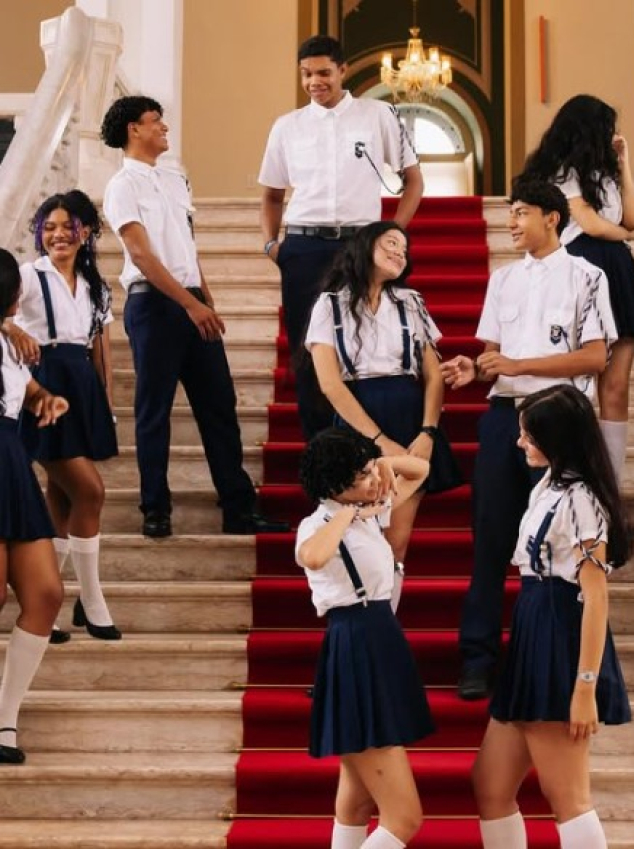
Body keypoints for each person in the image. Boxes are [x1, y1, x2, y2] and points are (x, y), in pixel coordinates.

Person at [441, 179, 617, 701]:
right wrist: (473, 368)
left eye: (520, 213)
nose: (512, 223)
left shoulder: (589, 276)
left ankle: (564, 660)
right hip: (503, 416)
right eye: (510, 214)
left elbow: (595, 357)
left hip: (561, 419)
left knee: (566, 544)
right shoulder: (503, 280)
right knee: (491, 539)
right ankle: (478, 657)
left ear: (552, 218)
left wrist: (519, 364)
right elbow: (494, 355)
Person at [100, 95, 287, 538]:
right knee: (154, 411)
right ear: (133, 130)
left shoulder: (176, 178)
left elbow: (186, 246)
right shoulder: (122, 186)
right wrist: (189, 304)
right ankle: (155, 508)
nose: (164, 126)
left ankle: (239, 509)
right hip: (154, 304)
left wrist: (206, 297)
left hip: (192, 300)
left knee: (219, 406)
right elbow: (142, 255)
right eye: (154, 121)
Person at [472, 384, 634, 849]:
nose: (519, 442)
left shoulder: (582, 499)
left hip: (559, 633)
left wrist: (584, 687)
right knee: (490, 785)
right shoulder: (549, 482)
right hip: (532, 625)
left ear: (557, 440)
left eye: (529, 435)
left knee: (568, 798)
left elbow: (596, 598)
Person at [259, 35, 423, 441]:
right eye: (306, 74)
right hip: (302, 246)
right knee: (309, 348)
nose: (315, 81)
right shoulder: (287, 127)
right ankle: (321, 447)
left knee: (363, 340)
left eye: (323, 73)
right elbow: (271, 195)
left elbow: (413, 181)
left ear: (343, 71)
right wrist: (271, 245)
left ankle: (366, 440)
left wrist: (393, 232)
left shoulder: (378, 114)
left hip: (359, 246)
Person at [304, 221, 461, 600]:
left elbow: (433, 376)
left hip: (409, 417)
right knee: (361, 534)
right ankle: (361, 616)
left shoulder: (410, 302)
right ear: (365, 246)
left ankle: (384, 621)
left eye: (404, 248)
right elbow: (329, 383)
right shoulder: (330, 304)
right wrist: (378, 440)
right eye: (391, 243)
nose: (399, 252)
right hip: (358, 421)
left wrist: (427, 433)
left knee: (396, 542)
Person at [296, 427, 433, 848]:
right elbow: (313, 557)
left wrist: (384, 464)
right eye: (362, 475)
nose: (374, 481)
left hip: (381, 641)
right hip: (354, 644)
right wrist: (345, 513)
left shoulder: (372, 508)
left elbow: (422, 469)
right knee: (405, 818)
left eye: (370, 470)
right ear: (335, 484)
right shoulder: (316, 524)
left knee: (355, 804)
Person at [517, 94, 634, 481]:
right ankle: (570, 473)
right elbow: (595, 226)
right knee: (573, 386)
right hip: (578, 268)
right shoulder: (561, 174)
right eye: (607, 128)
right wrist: (629, 238)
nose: (612, 134)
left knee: (616, 389)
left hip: (618, 273)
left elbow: (633, 217)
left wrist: (624, 163)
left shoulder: (606, 175)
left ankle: (609, 484)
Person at [2, 191, 120, 643]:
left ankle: (44, 605)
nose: (57, 235)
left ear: (85, 232)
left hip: (82, 389)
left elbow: (100, 348)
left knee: (63, 500)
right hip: (44, 388)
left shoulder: (96, 286)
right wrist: (11, 327)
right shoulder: (30, 276)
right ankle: (91, 602)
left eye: (67, 227)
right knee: (90, 491)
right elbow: (0, 308)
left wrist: (105, 402)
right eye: (48, 227)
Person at [0, 248, 67, 763]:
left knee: (45, 593)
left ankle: (5, 719)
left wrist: (45, 398)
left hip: (12, 463)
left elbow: (25, 389)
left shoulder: (10, 340)